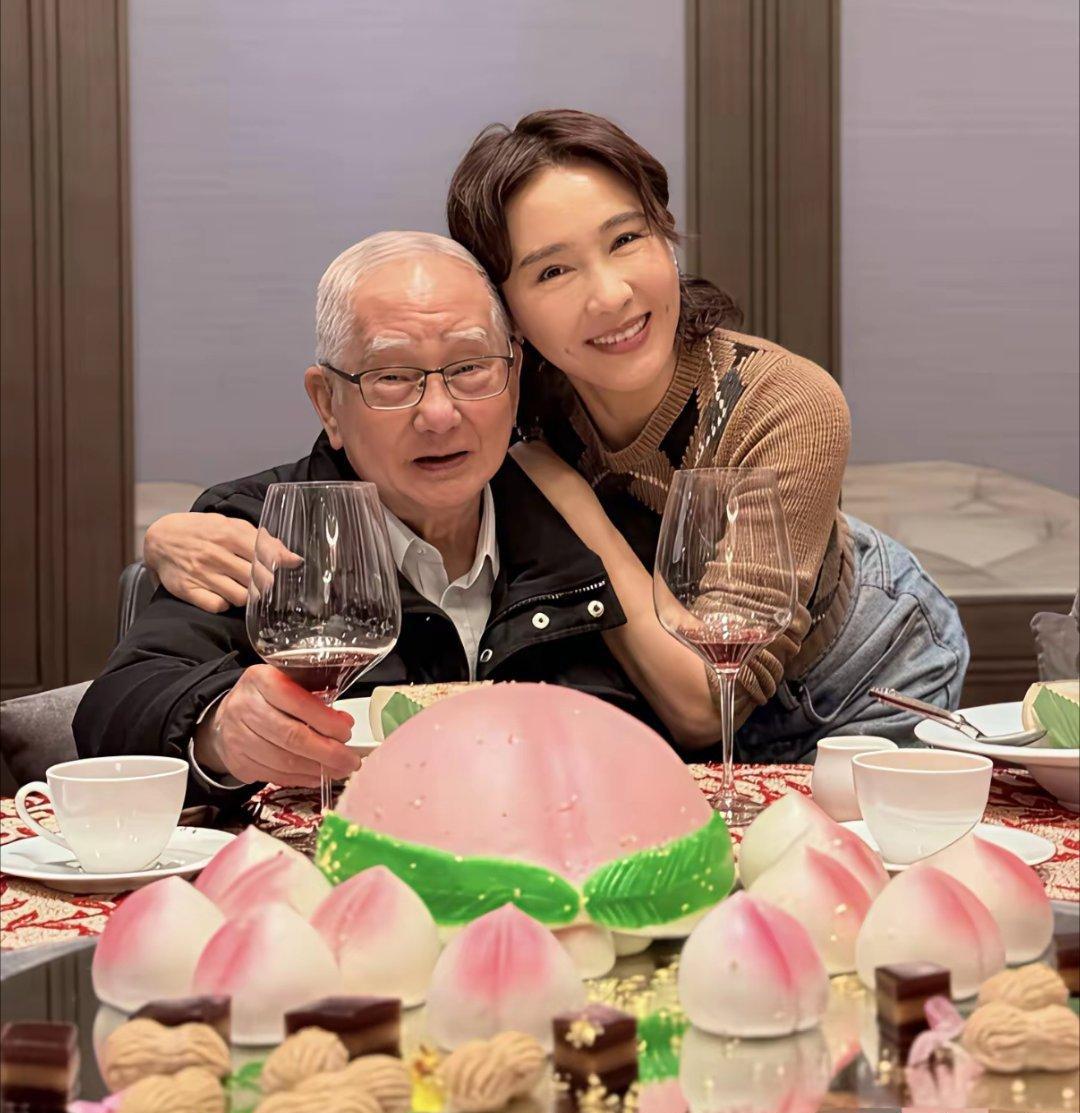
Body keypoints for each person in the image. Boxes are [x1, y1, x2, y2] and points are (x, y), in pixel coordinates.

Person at [142, 110, 970, 764]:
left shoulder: (782, 402)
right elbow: (371, 410)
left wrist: (567, 493)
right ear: (506, 310)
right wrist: (174, 536)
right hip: (669, 677)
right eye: (553, 270)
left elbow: (704, 698)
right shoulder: (506, 386)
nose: (610, 296)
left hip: (848, 666)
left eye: (627, 240)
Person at [74, 232, 652, 802]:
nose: (439, 414)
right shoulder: (262, 529)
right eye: (393, 377)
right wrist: (218, 728)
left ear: (514, 377)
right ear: (328, 403)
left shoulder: (573, 515)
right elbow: (117, 708)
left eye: (470, 367)